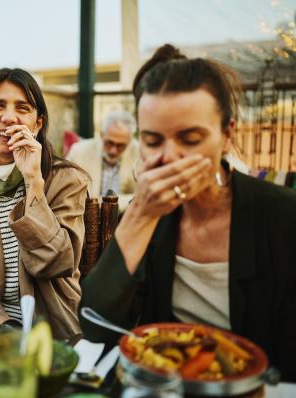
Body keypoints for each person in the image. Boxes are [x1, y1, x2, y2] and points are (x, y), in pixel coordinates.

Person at [79, 44, 296, 381]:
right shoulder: (150, 219)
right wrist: (141, 215)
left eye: (190, 138)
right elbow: (95, 324)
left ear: (227, 135)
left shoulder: (282, 216)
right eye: (153, 141)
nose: (169, 157)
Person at [0, 68, 89, 339]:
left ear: (38, 124)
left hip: (53, 334)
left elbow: (55, 263)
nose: (9, 117)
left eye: (22, 108)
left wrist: (33, 180)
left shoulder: (67, 180)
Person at [66, 110, 139, 210]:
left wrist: (104, 203)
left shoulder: (139, 152)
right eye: (109, 143)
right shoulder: (79, 151)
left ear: (130, 140)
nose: (113, 150)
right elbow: (67, 193)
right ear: (101, 134)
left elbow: (144, 196)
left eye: (120, 145)